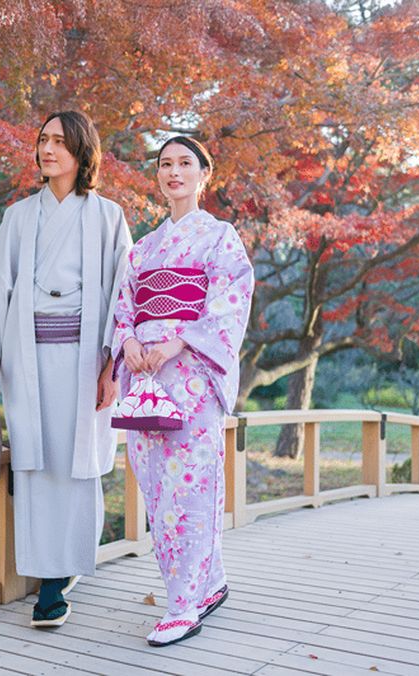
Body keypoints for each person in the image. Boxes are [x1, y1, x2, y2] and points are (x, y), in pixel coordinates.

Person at [0, 111, 132, 627]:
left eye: (59, 141)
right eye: (42, 140)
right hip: (28, 358)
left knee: (75, 463)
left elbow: (123, 296)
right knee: (35, 464)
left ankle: (60, 576)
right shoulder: (18, 217)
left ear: (82, 152)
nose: (47, 149)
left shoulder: (109, 216)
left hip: (85, 359)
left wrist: (112, 368)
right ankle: (46, 572)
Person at [112, 136, 254, 646]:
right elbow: (124, 305)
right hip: (147, 378)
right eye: (165, 164)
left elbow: (230, 301)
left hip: (191, 375)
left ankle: (182, 605)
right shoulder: (144, 248)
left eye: (185, 163)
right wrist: (129, 342)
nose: (174, 172)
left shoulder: (219, 237)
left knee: (190, 489)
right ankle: (209, 583)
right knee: (156, 489)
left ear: (203, 175)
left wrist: (178, 342)